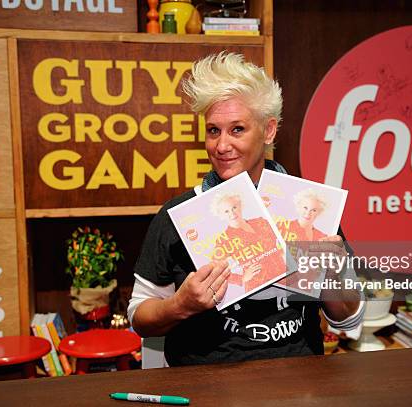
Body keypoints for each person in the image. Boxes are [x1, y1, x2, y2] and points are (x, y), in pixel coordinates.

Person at [127, 52, 364, 366]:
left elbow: (348, 320)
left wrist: (333, 278)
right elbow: (139, 318)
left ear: (268, 131)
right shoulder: (181, 215)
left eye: (237, 129)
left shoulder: (309, 206)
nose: (222, 145)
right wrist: (181, 305)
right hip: (204, 386)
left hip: (299, 382)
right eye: (214, 130)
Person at [209, 191, 286, 293]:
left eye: (234, 207)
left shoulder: (261, 222)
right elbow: (214, 270)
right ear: (220, 215)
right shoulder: (224, 239)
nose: (232, 213)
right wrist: (241, 278)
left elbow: (283, 238)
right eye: (226, 211)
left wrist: (283, 252)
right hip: (259, 288)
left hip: (284, 277)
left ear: (240, 206)